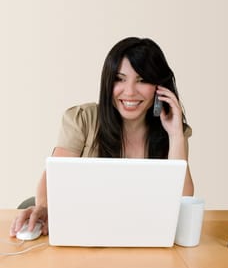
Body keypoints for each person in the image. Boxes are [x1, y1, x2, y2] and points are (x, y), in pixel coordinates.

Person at [10, 36, 194, 237]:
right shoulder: (83, 119)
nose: (130, 92)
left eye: (142, 80)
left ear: (159, 88)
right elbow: (52, 180)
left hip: (141, 237)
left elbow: (184, 204)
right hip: (85, 235)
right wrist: (44, 207)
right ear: (108, 82)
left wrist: (175, 135)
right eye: (120, 79)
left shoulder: (173, 131)